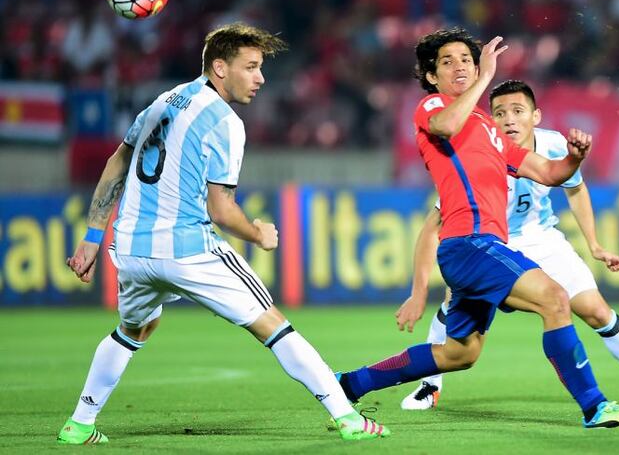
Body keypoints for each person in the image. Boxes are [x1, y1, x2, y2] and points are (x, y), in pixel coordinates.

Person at [56, 23, 389, 444]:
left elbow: (117, 161)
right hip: (187, 249)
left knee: (134, 329)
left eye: (260, 67)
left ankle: (79, 424)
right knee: (274, 325)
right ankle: (348, 418)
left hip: (133, 250)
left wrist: (92, 237)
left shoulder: (163, 100)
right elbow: (222, 210)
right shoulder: (225, 122)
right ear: (219, 67)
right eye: (250, 67)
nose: (260, 78)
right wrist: (257, 234)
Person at [335, 27, 619, 428]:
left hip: (478, 246)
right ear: (432, 76)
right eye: (447, 62)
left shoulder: (487, 128)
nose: (460, 66)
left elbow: (547, 172)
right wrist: (485, 76)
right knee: (554, 298)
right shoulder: (432, 107)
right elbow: (446, 126)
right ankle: (595, 406)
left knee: (459, 354)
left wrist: (574, 158)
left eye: (467, 60)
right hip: (470, 242)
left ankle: (348, 384)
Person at [397, 79, 619, 410]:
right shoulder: (478, 150)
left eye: (517, 111)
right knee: (452, 310)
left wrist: (594, 245)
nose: (509, 119)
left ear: (536, 116)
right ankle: (429, 386)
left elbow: (575, 187)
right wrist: (418, 291)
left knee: (596, 311)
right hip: (491, 244)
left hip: (542, 239)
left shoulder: (552, 143)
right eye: (499, 113)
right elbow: (433, 225)